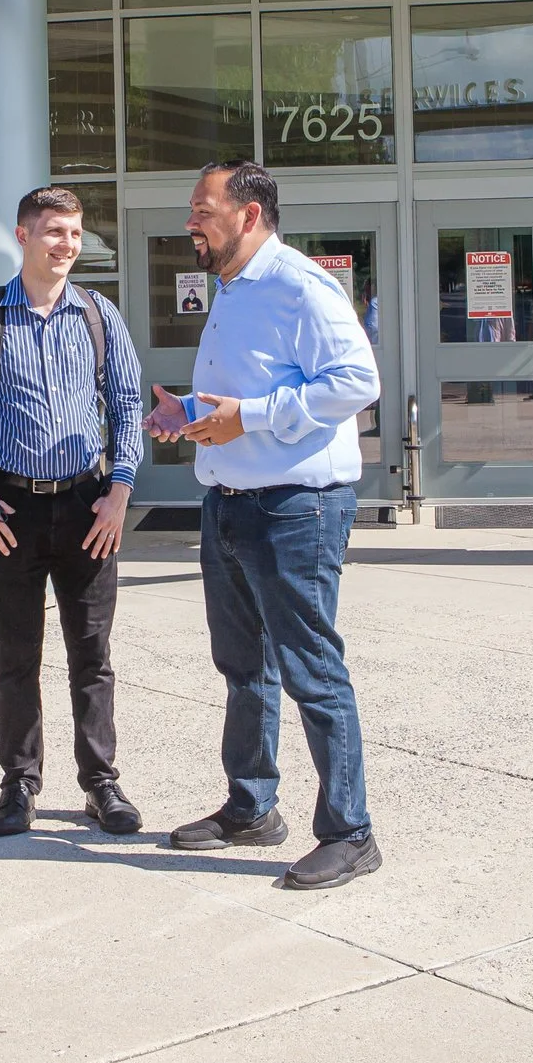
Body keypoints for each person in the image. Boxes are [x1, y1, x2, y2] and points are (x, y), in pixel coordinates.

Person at [147, 160, 386, 891]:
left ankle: (351, 833)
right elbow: (251, 387)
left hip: (295, 510)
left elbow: (356, 383)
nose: (190, 221)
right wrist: (187, 412)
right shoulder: (232, 288)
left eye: (203, 209)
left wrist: (243, 418)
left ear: (249, 215)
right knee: (244, 668)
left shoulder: (300, 286)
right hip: (229, 504)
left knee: (313, 672)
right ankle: (252, 807)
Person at [0, 186, 146, 838]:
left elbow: (129, 405)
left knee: (92, 655)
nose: (67, 245)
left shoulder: (99, 316)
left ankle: (101, 784)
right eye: (54, 232)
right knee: (15, 658)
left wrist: (121, 488)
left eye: (75, 234)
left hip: (89, 507)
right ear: (23, 236)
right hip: (11, 509)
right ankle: (18, 786)